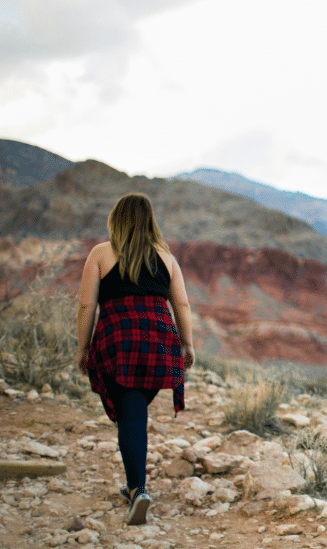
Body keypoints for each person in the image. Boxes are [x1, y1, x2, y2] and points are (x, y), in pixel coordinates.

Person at [76, 193, 195, 525]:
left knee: (130, 415)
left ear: (116, 220)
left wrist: (82, 347)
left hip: (118, 338)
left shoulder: (100, 253)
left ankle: (137, 489)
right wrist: (187, 344)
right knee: (134, 411)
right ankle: (134, 487)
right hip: (159, 340)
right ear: (150, 222)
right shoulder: (167, 258)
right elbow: (182, 305)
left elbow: (86, 305)